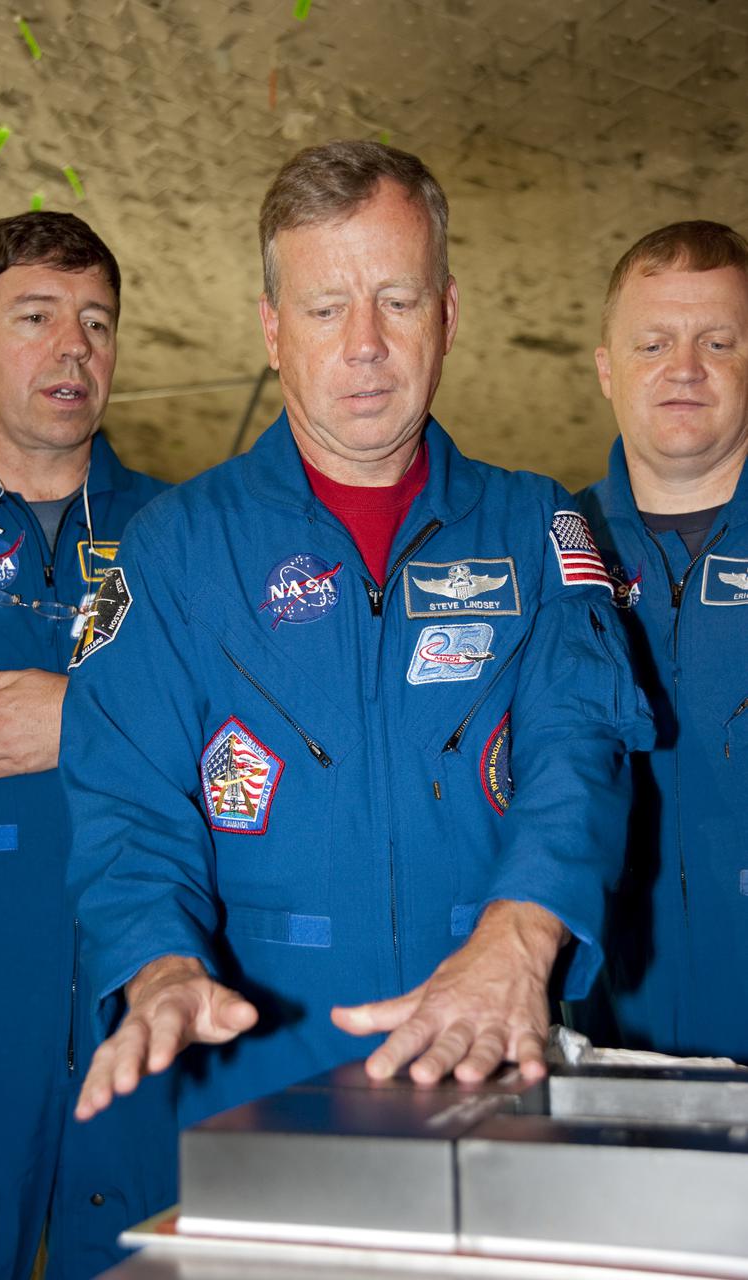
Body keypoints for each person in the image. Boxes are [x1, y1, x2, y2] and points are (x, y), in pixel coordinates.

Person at [61, 141, 651, 1132]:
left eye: (398, 300)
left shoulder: (534, 528)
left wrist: (520, 933)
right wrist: (159, 962)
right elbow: (125, 800)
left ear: (449, 315)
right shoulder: (174, 549)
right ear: (271, 331)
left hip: (491, 1045)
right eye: (325, 308)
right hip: (253, 1060)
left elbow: (575, 749)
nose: (364, 342)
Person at [0, 211, 179, 1280]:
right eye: (37, 316)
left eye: (97, 321)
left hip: (142, 1044)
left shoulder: (187, 540)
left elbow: (275, 754)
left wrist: (84, 719)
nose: (75, 347)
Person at [571, 220, 748, 1061]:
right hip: (608, 1040)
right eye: (652, 343)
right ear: (607, 368)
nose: (684, 368)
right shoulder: (544, 554)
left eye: (717, 340)